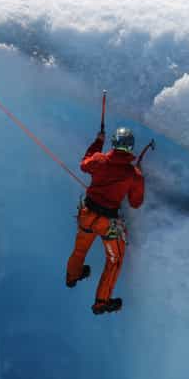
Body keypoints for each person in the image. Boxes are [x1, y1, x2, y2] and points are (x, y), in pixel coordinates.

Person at [66, 127, 145, 315]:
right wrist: (136, 178)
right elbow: (135, 203)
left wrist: (98, 142)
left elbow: (84, 165)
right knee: (114, 260)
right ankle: (101, 302)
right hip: (106, 223)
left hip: (86, 215)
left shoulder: (99, 160)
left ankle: (72, 276)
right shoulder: (133, 174)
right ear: (130, 148)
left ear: (114, 143)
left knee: (80, 248)